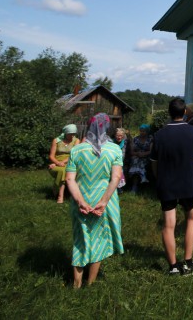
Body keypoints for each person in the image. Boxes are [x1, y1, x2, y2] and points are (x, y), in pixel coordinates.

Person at [64, 113, 124, 288]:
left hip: (80, 200)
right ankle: (90, 284)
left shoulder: (76, 150)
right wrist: (104, 201)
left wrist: (81, 201)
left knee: (80, 239)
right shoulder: (114, 149)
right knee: (98, 240)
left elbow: (69, 180)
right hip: (104, 202)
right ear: (107, 128)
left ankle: (76, 285)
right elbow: (116, 178)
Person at [151, 98, 193, 275]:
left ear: (169, 112)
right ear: (184, 113)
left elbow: (154, 163)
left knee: (168, 225)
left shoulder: (159, 135)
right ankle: (188, 262)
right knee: (191, 219)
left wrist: (160, 178)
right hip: (188, 182)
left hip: (167, 183)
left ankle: (173, 266)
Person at [48, 124, 80, 203]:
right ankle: (60, 194)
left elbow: (74, 155)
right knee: (63, 171)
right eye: (71, 134)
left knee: (64, 171)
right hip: (56, 163)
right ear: (66, 133)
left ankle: (59, 194)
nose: (72, 136)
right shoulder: (56, 140)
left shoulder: (76, 141)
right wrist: (57, 163)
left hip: (70, 162)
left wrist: (62, 162)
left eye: (74, 134)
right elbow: (51, 156)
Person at [128, 124, 153, 194]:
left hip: (146, 157)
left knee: (139, 163)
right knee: (136, 162)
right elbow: (131, 151)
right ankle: (136, 184)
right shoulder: (135, 139)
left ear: (147, 131)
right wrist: (137, 154)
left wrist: (144, 154)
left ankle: (135, 185)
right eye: (141, 131)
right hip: (136, 156)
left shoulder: (150, 139)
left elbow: (151, 151)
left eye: (144, 131)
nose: (142, 132)